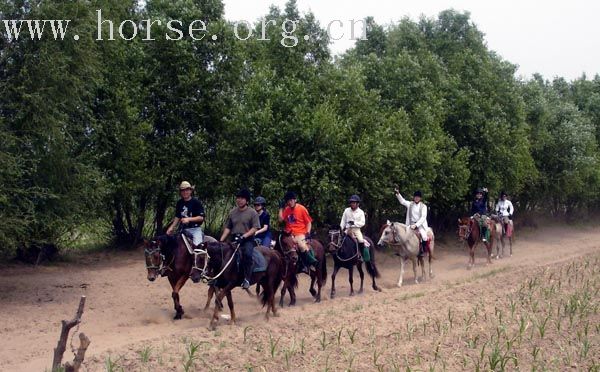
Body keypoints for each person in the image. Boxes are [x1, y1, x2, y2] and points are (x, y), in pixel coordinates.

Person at [220, 189, 260, 289]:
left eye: (242, 198)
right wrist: (220, 240)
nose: (239, 200)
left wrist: (244, 236)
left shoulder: (252, 212)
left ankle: (247, 278)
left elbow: (255, 228)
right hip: (234, 238)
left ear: (247, 200)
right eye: (238, 198)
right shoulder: (232, 212)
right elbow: (228, 228)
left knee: (247, 254)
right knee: (222, 254)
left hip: (247, 239)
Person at [278, 191, 318, 272]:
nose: (290, 202)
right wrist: (281, 208)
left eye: (291, 200)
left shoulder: (302, 208)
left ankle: (309, 263)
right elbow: (280, 220)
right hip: (289, 233)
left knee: (301, 245)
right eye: (288, 201)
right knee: (280, 244)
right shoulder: (286, 209)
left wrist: (307, 233)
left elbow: (308, 222)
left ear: (295, 200)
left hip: (300, 232)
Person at [165, 181, 205, 248]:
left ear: (190, 191)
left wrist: (189, 219)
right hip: (182, 229)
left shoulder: (196, 202)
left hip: (195, 229)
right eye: (183, 190)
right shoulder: (179, 203)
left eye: (187, 190)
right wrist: (171, 227)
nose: (185, 192)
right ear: (180, 192)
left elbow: (201, 218)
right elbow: (177, 216)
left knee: (197, 249)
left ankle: (198, 257)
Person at [395, 188, 429, 257]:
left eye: (418, 197)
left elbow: (423, 217)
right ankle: (401, 251)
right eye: (415, 197)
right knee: (402, 235)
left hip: (420, 225)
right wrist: (398, 194)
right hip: (410, 224)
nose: (416, 198)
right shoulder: (410, 204)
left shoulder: (423, 206)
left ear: (420, 198)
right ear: (414, 197)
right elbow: (402, 201)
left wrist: (416, 225)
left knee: (424, 236)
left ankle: (423, 251)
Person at [340, 195, 369, 261]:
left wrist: (354, 224)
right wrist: (341, 228)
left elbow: (362, 222)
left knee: (361, 240)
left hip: (356, 230)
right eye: (351, 202)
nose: (352, 204)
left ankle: (360, 255)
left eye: (354, 203)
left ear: (357, 204)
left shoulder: (361, 212)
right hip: (347, 230)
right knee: (340, 240)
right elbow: (343, 220)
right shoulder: (346, 210)